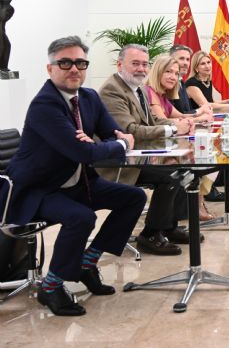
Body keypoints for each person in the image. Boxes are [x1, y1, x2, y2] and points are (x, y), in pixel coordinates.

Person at [0, 36, 146, 316]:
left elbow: (109, 135)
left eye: (80, 62)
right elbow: (91, 150)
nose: (74, 69)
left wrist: (105, 144)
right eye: (65, 62)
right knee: (81, 217)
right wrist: (114, 144)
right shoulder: (45, 105)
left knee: (133, 197)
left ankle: (87, 263)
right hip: (38, 189)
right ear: (50, 68)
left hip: (78, 183)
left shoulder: (89, 97)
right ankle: (51, 287)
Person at [98, 44, 199, 256]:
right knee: (171, 175)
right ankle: (151, 234)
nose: (141, 69)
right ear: (120, 64)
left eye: (144, 64)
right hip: (118, 163)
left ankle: (168, 227)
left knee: (182, 168)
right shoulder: (112, 90)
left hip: (140, 155)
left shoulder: (138, 88)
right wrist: (172, 128)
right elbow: (130, 130)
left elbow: (152, 120)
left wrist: (180, 122)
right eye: (135, 64)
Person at [144, 54, 219, 221]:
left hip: (167, 144)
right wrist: (194, 119)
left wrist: (198, 118)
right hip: (154, 150)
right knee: (199, 160)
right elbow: (162, 121)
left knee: (209, 156)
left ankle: (195, 205)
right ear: (157, 72)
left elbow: (179, 115)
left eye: (176, 74)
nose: (173, 77)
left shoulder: (162, 95)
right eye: (168, 72)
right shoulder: (149, 92)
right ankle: (192, 207)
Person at [169, 45, 228, 204]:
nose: (185, 63)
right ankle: (202, 197)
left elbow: (184, 113)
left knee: (219, 144)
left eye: (187, 59)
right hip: (177, 136)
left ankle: (205, 192)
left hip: (189, 129)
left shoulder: (180, 83)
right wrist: (198, 116)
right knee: (211, 150)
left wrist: (198, 115)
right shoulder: (186, 84)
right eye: (181, 59)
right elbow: (173, 117)